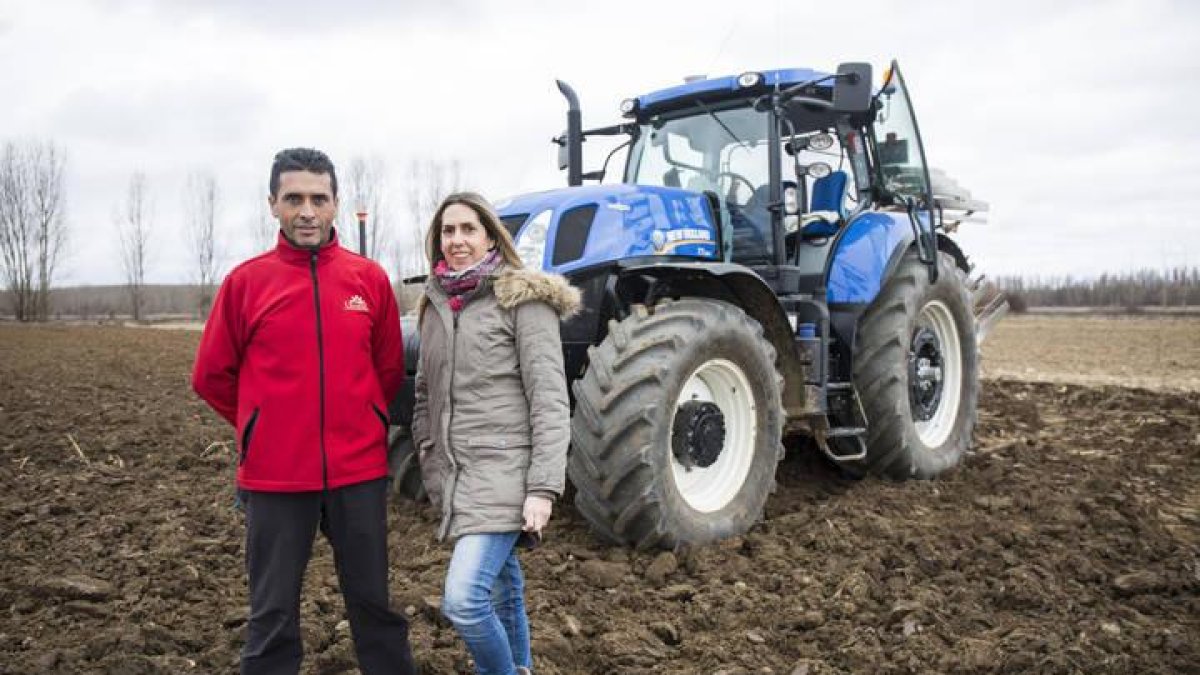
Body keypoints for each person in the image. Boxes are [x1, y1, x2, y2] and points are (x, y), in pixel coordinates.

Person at [192, 147, 417, 675]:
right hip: (275, 478)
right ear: (273, 204)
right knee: (271, 614)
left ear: (337, 204)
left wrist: (361, 422)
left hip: (357, 474)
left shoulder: (369, 280)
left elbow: (385, 372)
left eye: (319, 198)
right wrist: (260, 429)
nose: (307, 211)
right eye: (294, 199)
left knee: (374, 605)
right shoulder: (246, 284)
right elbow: (211, 376)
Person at [412, 192, 578, 675]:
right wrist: (427, 451)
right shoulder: (437, 305)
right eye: (448, 231)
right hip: (457, 475)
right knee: (504, 589)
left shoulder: (521, 300)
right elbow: (426, 392)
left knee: (463, 600)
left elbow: (550, 399)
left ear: (490, 235)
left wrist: (542, 488)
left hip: (507, 472)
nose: (457, 240)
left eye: (468, 229)